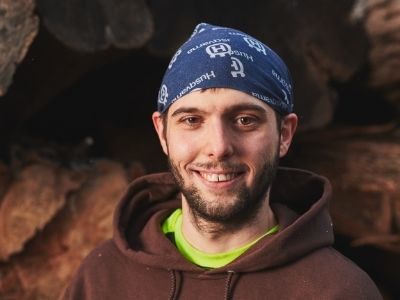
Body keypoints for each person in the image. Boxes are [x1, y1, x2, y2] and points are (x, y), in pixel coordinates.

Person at [60, 23, 382, 299]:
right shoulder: (102, 279)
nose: (218, 147)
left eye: (244, 120)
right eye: (191, 120)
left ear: (284, 134)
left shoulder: (338, 290)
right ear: (162, 133)